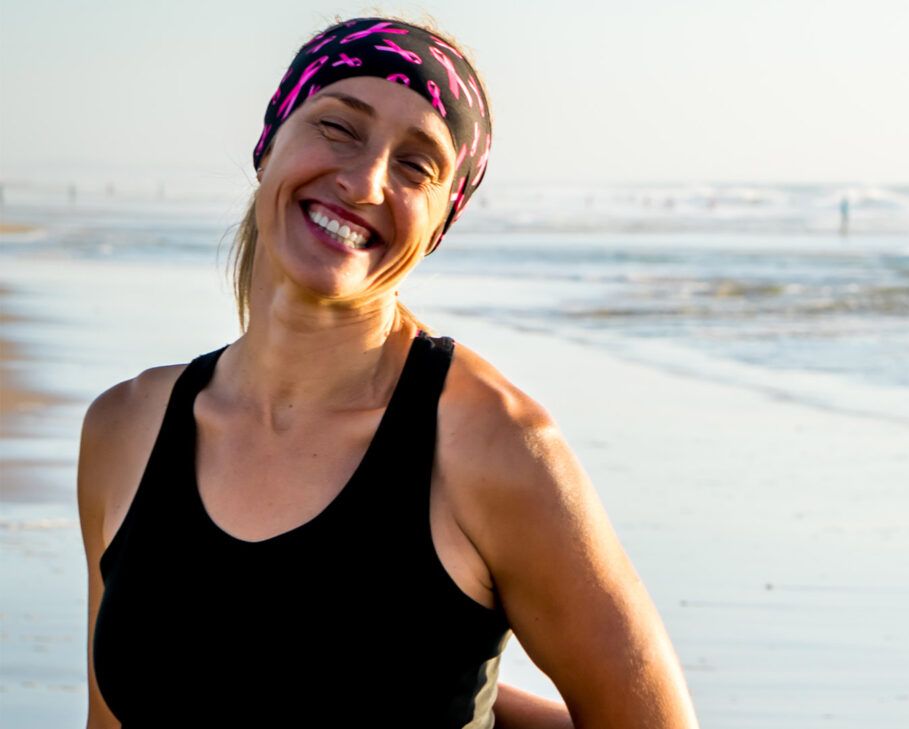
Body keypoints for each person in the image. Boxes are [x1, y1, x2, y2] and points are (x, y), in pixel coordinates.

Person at [77, 14, 700, 728]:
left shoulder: (496, 447)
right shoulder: (126, 428)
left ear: (439, 224)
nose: (365, 181)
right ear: (269, 141)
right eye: (339, 127)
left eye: (417, 164)